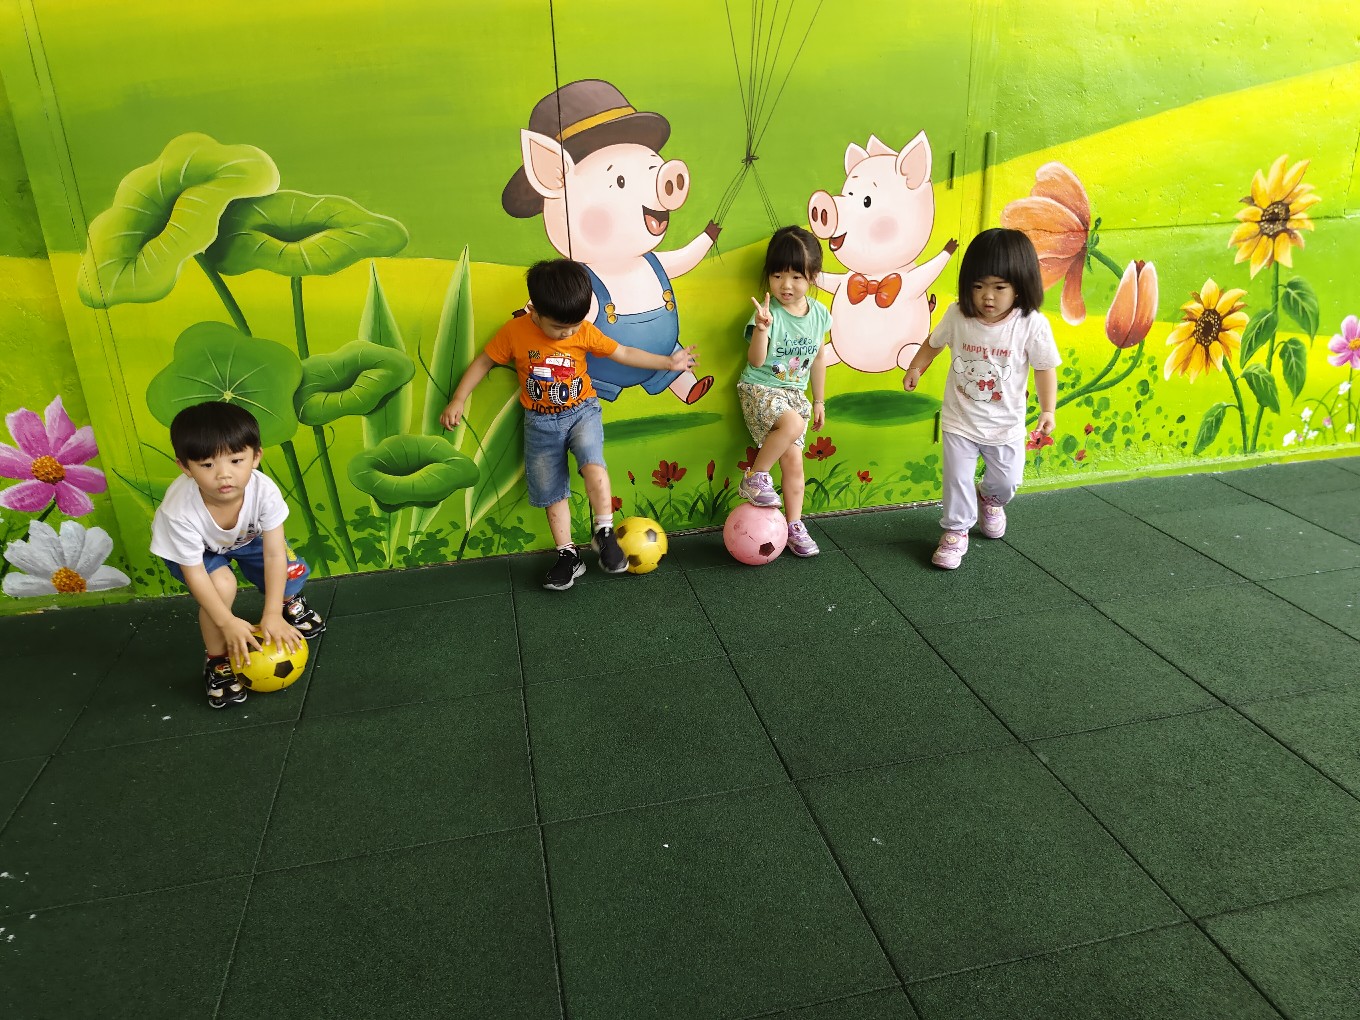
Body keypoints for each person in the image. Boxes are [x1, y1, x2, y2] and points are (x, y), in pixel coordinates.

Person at [440, 259, 698, 590]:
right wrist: (459, 398)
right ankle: (567, 555)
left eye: (575, 325)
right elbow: (485, 361)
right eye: (560, 328)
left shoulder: (584, 331)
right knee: (552, 492)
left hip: (582, 411)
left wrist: (668, 362)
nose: (569, 333)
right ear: (534, 310)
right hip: (540, 422)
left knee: (593, 464)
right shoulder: (514, 332)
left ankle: (603, 530)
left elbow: (623, 353)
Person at [903, 226, 1061, 569]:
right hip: (960, 419)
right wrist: (916, 368)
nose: (987, 296)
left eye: (999, 287)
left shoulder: (1031, 324)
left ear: (1020, 285)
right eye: (978, 286)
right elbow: (933, 344)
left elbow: (1045, 367)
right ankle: (956, 530)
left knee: (1007, 481)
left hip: (1005, 425)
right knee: (957, 478)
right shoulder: (958, 315)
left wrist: (1048, 409)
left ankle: (989, 500)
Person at [150, 402, 325, 709]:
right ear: (185, 467)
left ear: (255, 457)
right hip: (197, 550)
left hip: (246, 538)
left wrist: (271, 613)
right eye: (207, 465)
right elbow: (195, 574)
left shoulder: (264, 491)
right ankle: (217, 662)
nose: (223, 475)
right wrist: (227, 621)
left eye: (236, 460)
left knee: (288, 570)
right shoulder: (179, 512)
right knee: (221, 587)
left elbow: (274, 554)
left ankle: (288, 603)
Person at [736, 225, 833, 557]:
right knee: (792, 424)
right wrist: (762, 329)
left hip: (794, 396)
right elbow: (755, 359)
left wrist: (818, 400)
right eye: (777, 276)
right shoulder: (768, 314)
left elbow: (818, 358)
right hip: (759, 389)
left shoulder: (820, 315)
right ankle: (755, 477)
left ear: (813, 276)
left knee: (794, 464)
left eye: (795, 276)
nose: (785, 285)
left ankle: (794, 525)